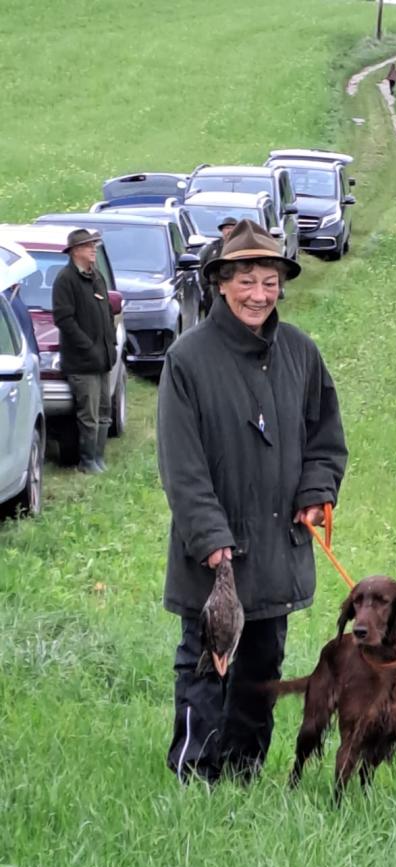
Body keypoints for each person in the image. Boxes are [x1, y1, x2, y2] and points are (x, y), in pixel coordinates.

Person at [157, 219, 348, 785]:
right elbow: (182, 468)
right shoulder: (187, 360)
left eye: (269, 282)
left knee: (262, 666)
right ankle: (196, 776)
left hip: (276, 552)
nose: (258, 294)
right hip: (214, 560)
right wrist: (213, 543)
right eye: (246, 281)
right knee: (205, 665)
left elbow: (325, 439)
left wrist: (317, 494)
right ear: (220, 282)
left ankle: (242, 774)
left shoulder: (301, 354)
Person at [52, 228, 117, 474]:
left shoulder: (96, 276)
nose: (94, 250)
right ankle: (87, 461)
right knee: (88, 415)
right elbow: (64, 320)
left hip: (103, 358)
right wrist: (88, 348)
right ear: (76, 251)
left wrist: (109, 342)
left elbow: (107, 310)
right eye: (89, 246)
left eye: (94, 245)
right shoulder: (65, 280)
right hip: (82, 361)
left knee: (104, 412)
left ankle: (98, 457)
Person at [198, 216, 237, 315]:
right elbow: (200, 267)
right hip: (215, 288)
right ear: (222, 231)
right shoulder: (212, 248)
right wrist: (205, 287)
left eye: (233, 228)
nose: (230, 231)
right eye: (227, 228)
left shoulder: (243, 248)